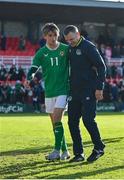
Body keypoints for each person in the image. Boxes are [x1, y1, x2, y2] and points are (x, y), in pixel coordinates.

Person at [63, 25, 106, 163]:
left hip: (89, 89)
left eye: (72, 39)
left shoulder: (88, 47)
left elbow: (101, 66)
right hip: (74, 91)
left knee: (88, 120)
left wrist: (99, 87)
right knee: (72, 122)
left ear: (78, 34)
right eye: (67, 40)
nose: (70, 42)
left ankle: (99, 147)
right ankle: (79, 153)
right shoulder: (69, 49)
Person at [28, 23, 70, 161]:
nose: (53, 38)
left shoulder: (66, 49)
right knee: (55, 123)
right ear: (45, 36)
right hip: (49, 91)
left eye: (55, 35)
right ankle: (65, 150)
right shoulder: (41, 53)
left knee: (57, 118)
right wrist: (30, 76)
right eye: (50, 35)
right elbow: (33, 68)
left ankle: (56, 151)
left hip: (63, 89)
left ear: (58, 36)